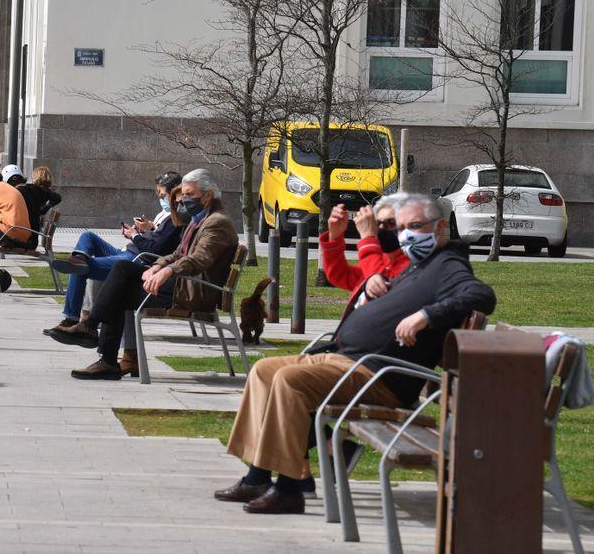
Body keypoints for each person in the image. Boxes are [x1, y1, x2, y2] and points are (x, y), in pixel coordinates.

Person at [213, 194, 496, 515]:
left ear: (440, 227)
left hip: (379, 374)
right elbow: (345, 277)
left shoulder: (448, 264)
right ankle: (257, 475)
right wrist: (340, 240)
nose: (405, 235)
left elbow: (480, 294)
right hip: (348, 358)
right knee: (264, 370)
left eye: (414, 226)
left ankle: (290, 488)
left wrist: (426, 316)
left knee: (290, 381)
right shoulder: (418, 264)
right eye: (401, 227)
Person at [49, 169, 238, 380]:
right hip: (184, 285)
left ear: (207, 195)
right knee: (121, 273)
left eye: (189, 195)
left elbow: (200, 258)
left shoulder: (217, 223)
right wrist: (158, 265)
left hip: (194, 292)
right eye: (183, 195)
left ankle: (96, 339)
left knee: (120, 283)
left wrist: (168, 270)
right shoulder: (200, 219)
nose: (183, 200)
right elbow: (178, 253)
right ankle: (103, 351)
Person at [46, 171, 184, 336]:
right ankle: (80, 258)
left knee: (80, 267)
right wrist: (148, 229)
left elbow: (155, 249)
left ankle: (72, 318)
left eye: (163, 195)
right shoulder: (169, 216)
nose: (161, 199)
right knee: (87, 237)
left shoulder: (177, 219)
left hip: (136, 259)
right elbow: (159, 241)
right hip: (131, 251)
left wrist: (134, 235)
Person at [319, 193, 410, 292]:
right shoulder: (381, 259)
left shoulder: (414, 263)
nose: (381, 228)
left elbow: (382, 286)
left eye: (391, 223)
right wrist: (335, 236)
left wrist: (368, 239)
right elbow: (340, 275)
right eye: (377, 223)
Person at [14, 165, 63, 249]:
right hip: (33, 235)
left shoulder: (30, 189)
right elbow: (57, 198)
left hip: (27, 237)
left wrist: (42, 211)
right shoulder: (45, 192)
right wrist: (44, 210)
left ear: (35, 177)